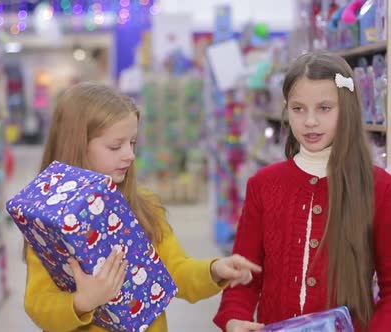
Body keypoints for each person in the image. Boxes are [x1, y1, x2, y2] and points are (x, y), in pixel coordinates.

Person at [23, 82, 262, 331]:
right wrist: (82, 302)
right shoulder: (48, 222)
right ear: (77, 146)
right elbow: (39, 304)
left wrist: (214, 270)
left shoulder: (144, 206)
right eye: (115, 146)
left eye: (133, 143)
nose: (130, 155)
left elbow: (175, 271)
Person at [213, 51, 391, 332]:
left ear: (347, 108)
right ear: (286, 109)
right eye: (298, 109)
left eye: (324, 108)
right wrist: (235, 318)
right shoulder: (262, 185)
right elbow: (244, 279)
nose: (309, 121)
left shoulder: (378, 186)